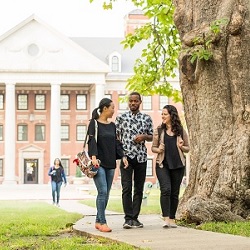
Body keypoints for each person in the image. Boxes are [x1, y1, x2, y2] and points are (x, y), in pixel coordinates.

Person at [87, 98, 128, 233]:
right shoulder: (94, 123)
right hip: (98, 163)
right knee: (102, 191)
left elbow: (117, 143)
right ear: (105, 108)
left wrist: (123, 156)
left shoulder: (112, 126)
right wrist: (93, 157)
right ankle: (103, 222)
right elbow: (91, 141)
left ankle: (98, 221)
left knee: (107, 193)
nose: (113, 110)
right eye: (112, 108)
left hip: (111, 163)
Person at [115, 92, 153, 229]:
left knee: (139, 188)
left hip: (141, 157)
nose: (132, 103)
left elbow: (152, 136)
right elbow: (117, 138)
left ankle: (135, 218)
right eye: (130, 101)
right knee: (126, 188)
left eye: (135, 101)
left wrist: (143, 137)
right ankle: (127, 218)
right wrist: (122, 155)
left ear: (140, 102)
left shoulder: (146, 118)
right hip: (126, 158)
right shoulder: (121, 118)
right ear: (128, 102)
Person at [151, 105, 190, 228]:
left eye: (165, 114)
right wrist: (159, 149)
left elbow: (187, 149)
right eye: (162, 114)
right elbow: (153, 147)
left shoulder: (180, 130)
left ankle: (172, 219)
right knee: (166, 189)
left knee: (174, 192)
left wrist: (181, 146)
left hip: (178, 165)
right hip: (162, 164)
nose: (162, 116)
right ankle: (166, 218)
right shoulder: (159, 130)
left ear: (171, 115)